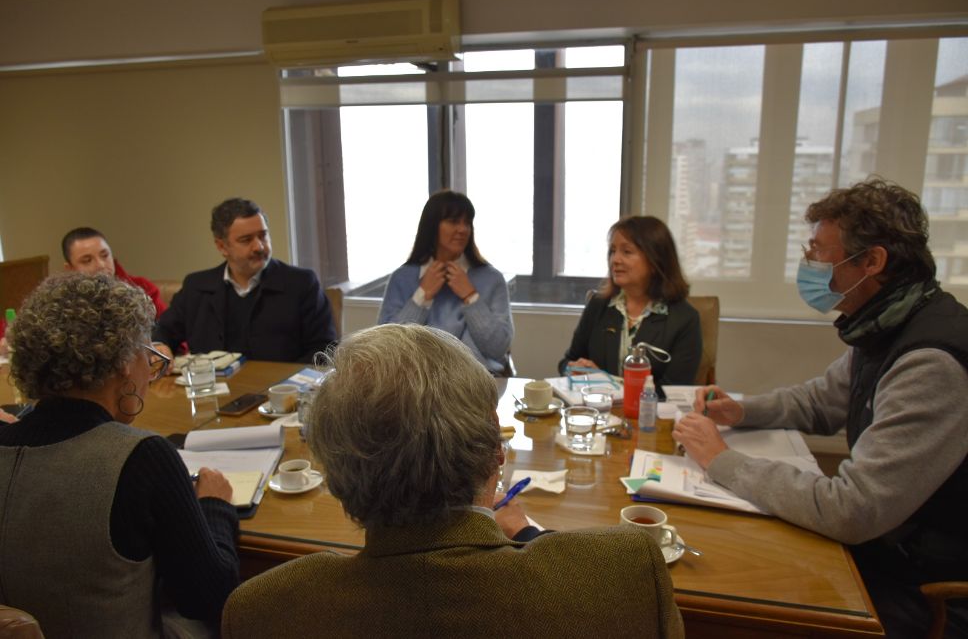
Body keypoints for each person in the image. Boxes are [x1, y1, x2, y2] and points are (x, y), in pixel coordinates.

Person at [221, 324, 683, 639]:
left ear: (334, 475)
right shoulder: (624, 572)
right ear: (495, 452)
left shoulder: (264, 609)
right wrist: (530, 534)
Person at [673, 179, 968, 639]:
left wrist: (721, 460)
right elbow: (819, 401)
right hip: (889, 549)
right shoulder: (886, 324)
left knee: (739, 596)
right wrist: (741, 412)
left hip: (926, 591)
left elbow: (853, 508)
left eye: (819, 252)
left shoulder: (931, 362)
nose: (809, 265)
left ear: (872, 261)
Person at [0, 273, 240, 637]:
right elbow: (211, 598)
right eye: (148, 353)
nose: (150, 369)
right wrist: (215, 506)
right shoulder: (142, 458)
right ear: (126, 359)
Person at [152, 198, 337, 363]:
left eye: (263, 235)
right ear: (222, 246)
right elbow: (163, 331)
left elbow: (324, 350)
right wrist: (161, 346)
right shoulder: (196, 286)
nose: (259, 246)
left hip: (282, 388)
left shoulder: (301, 284)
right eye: (246, 240)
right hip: (212, 388)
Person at [378, 190, 514, 375]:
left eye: (467, 222)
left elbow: (498, 348)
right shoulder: (402, 278)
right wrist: (422, 296)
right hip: (417, 382)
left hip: (479, 380)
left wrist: (471, 296)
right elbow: (387, 346)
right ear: (432, 226)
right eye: (453, 221)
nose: (463, 229)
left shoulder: (492, 279)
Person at [559, 216, 702, 390]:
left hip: (652, 408)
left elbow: (673, 391)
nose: (615, 260)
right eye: (613, 251)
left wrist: (607, 382)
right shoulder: (598, 305)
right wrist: (572, 369)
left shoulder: (684, 319)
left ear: (655, 261)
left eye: (627, 252)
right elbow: (567, 361)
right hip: (598, 405)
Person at [62, 226, 168, 317]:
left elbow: (167, 329)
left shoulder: (142, 287)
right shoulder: (62, 303)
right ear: (70, 269)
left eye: (105, 255)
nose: (101, 265)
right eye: (87, 260)